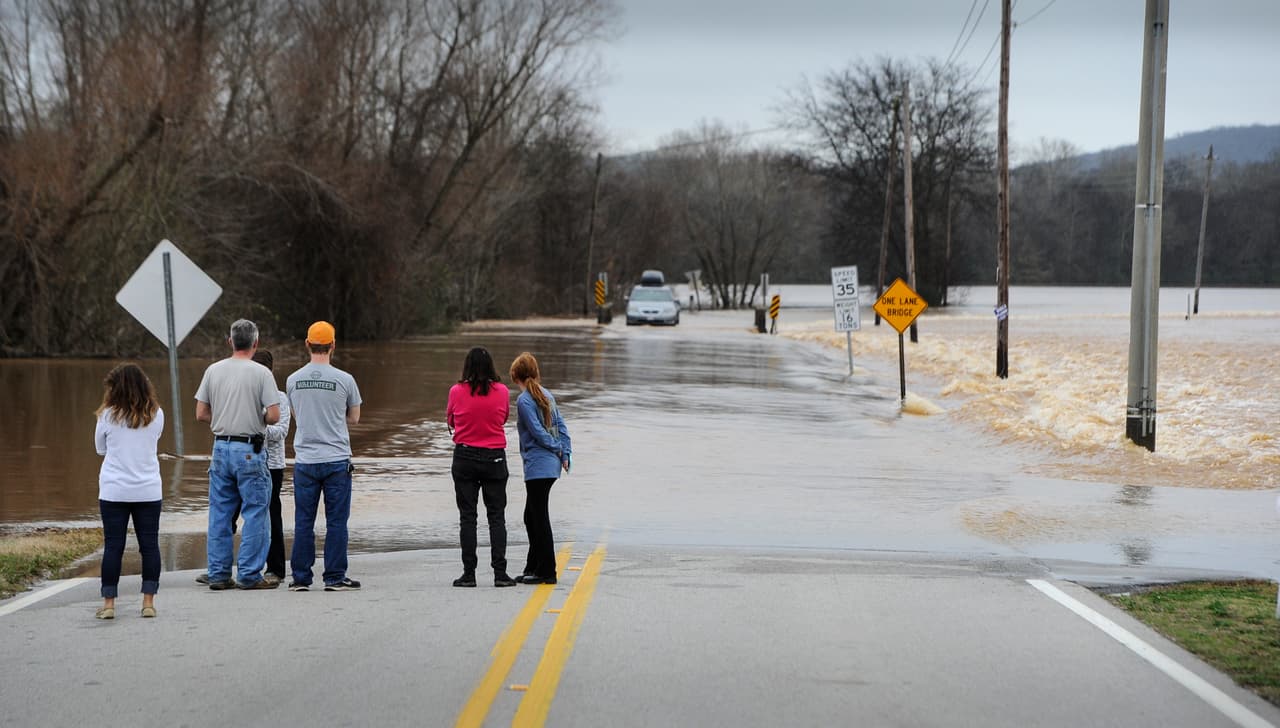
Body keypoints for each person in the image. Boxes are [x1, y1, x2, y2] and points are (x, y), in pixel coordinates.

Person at [195, 319, 281, 590]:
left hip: (220, 447)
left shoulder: (213, 370)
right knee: (256, 511)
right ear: (255, 343)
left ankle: (219, 573)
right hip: (250, 449)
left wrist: (223, 417)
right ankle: (249, 574)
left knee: (220, 512)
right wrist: (257, 415)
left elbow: (201, 413)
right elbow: (275, 416)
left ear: (230, 341)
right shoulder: (262, 374)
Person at [286, 321, 362, 592]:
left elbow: (295, 414)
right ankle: (334, 576)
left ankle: (301, 578)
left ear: (307, 344)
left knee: (303, 521)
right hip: (336, 459)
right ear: (333, 345)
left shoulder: (292, 380)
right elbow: (354, 418)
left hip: (305, 460)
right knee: (337, 521)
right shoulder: (345, 380)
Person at [93, 364, 164, 619]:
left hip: (114, 491)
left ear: (115, 388)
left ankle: (109, 604)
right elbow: (153, 441)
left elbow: (100, 449)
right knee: (150, 546)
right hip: (148, 490)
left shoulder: (107, 416)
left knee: (114, 547)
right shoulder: (157, 414)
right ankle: (148, 602)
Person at [447, 347, 515, 588]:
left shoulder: (456, 391)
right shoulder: (503, 391)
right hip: (494, 457)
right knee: (497, 517)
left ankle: (469, 573)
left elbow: (451, 420)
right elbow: (503, 418)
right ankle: (500, 573)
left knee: (468, 517)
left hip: (465, 456)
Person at [508, 353, 571, 586]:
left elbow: (537, 432)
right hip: (549, 465)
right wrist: (564, 452)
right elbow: (561, 426)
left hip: (538, 465)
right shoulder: (547, 395)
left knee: (538, 518)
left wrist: (557, 449)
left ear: (516, 376)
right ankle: (532, 567)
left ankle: (547, 571)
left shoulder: (525, 400)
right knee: (530, 516)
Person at [253, 350, 290, 582]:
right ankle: (224, 565)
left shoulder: (280, 397)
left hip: (272, 465)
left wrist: (259, 429)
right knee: (233, 511)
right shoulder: (243, 395)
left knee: (271, 514)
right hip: (245, 462)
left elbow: (281, 432)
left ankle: (275, 568)